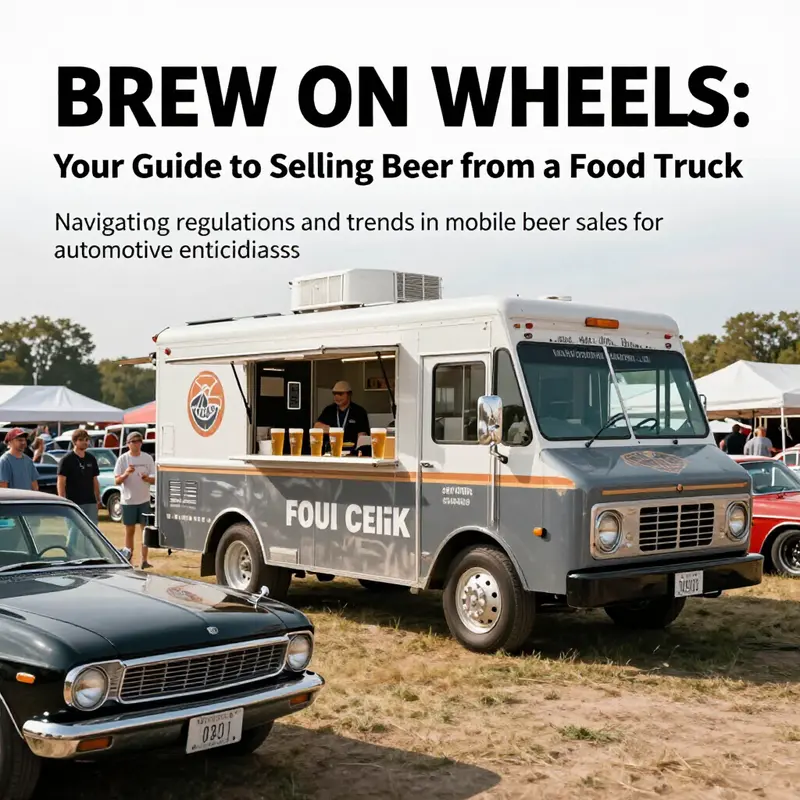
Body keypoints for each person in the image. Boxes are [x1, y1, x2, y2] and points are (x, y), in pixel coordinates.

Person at [114, 431, 156, 568]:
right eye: (133, 441)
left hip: (144, 500)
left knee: (145, 531)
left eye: (139, 441)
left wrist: (147, 478)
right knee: (129, 531)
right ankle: (128, 559)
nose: (137, 444)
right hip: (128, 501)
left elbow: (154, 479)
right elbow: (117, 481)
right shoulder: (123, 459)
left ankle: (144, 560)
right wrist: (126, 473)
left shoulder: (147, 458)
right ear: (128, 444)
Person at [57, 429, 102, 525]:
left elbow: (95, 479)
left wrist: (98, 498)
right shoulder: (66, 460)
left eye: (86, 440)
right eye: (81, 440)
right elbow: (61, 482)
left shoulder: (91, 458)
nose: (85, 442)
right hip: (74, 502)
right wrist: (63, 500)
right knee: (74, 532)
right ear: (75, 441)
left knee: (92, 531)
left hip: (90, 501)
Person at [314, 380, 370, 453]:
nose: (337, 397)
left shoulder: (359, 411)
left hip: (352, 452)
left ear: (349, 394)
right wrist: (334, 431)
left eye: (340, 394)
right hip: (331, 451)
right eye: (334, 394)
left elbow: (363, 435)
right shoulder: (329, 410)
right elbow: (317, 426)